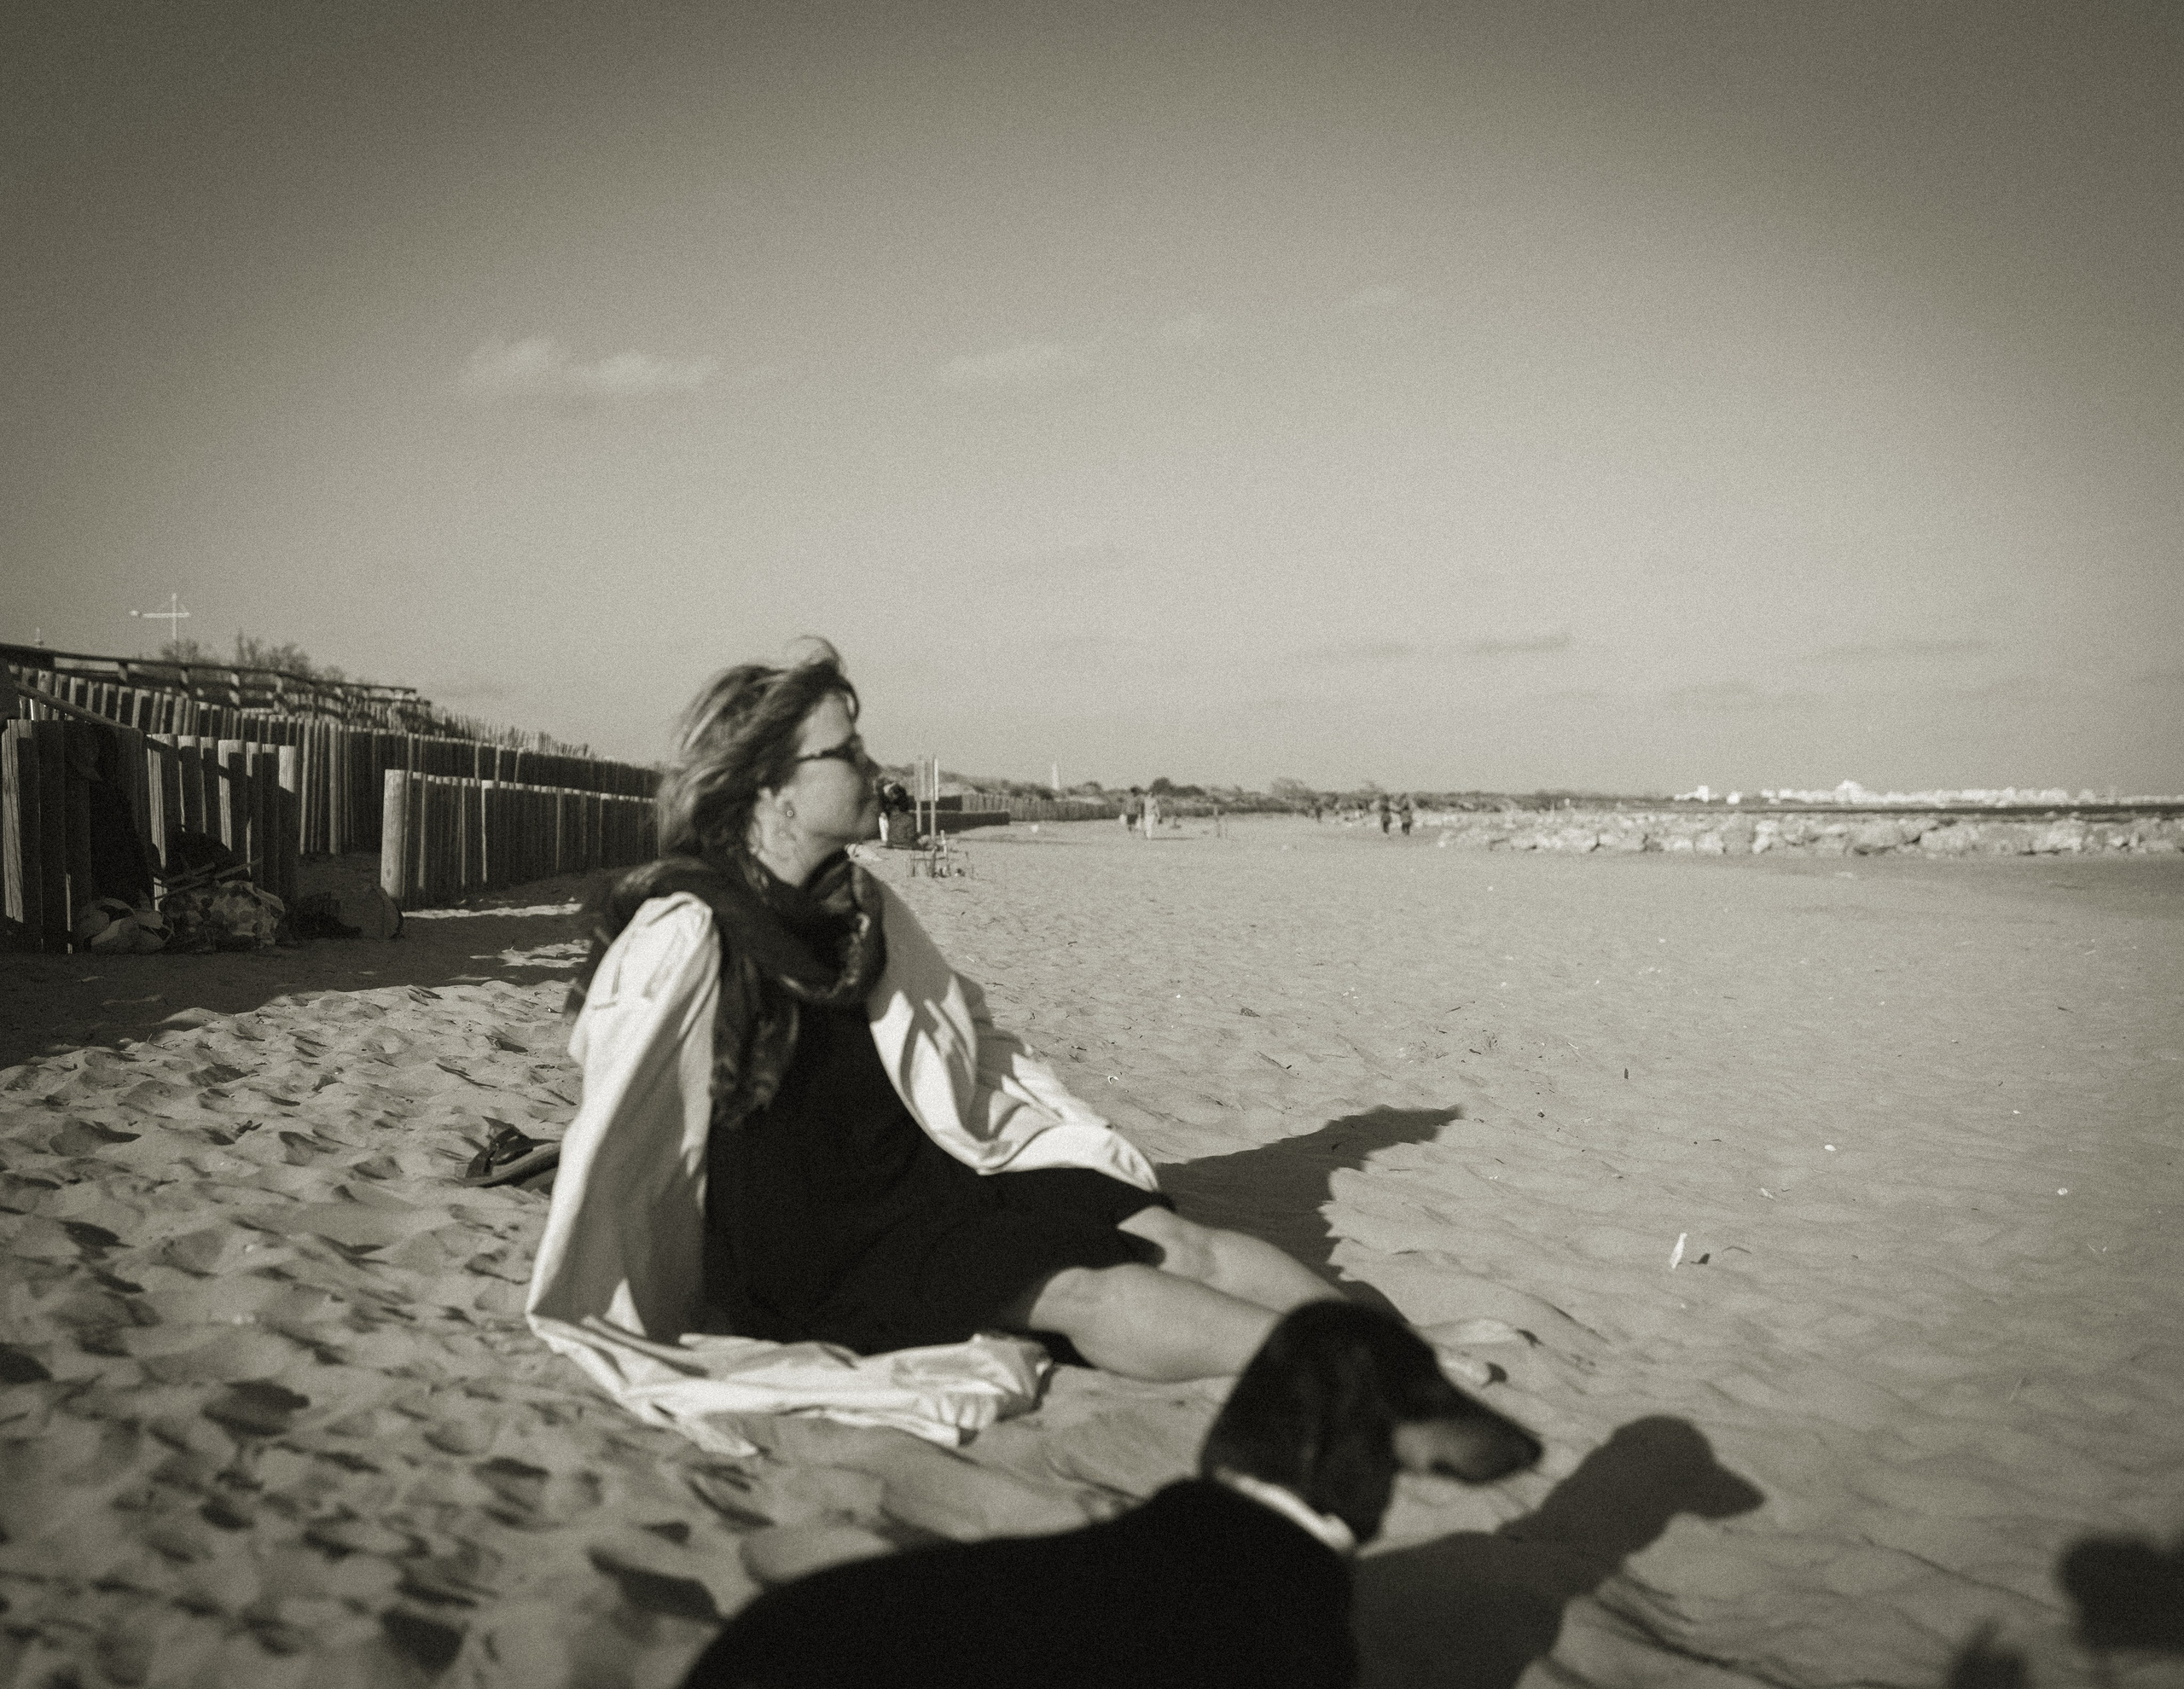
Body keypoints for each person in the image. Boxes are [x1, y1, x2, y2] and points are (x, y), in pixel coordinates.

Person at [566, 647, 1338, 1382]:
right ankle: (1372, 1376)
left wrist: (1034, 1139)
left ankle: (1388, 1345)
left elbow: (952, 1029)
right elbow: (621, 1113)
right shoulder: (689, 928)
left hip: (919, 1175)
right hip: (815, 1240)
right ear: (773, 788)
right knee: (1077, 1281)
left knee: (1163, 1235)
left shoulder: (860, 908)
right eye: (848, 753)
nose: (874, 769)